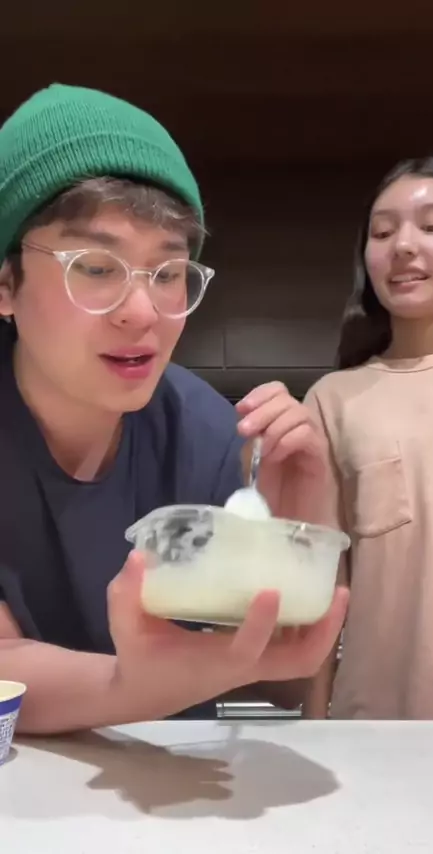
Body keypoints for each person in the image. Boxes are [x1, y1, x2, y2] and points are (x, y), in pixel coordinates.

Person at [0, 84, 348, 735]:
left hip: (176, 787)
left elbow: (282, 683)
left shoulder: (209, 433)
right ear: (5, 283)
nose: (143, 313)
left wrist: (297, 537)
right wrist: (135, 684)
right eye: (95, 267)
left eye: (167, 274)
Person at [304, 155, 433, 720]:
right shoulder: (332, 402)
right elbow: (320, 591)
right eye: (382, 233)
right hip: (372, 732)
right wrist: (315, 730)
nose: (403, 246)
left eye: (432, 226)